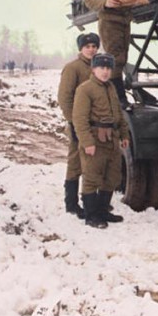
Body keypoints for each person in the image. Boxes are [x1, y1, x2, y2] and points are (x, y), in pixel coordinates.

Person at [73, 53, 130, 228]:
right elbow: (79, 119)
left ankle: (103, 210)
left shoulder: (111, 87)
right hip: (95, 140)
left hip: (112, 140)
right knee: (92, 177)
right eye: (101, 68)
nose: (105, 72)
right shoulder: (85, 89)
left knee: (111, 177)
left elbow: (118, 114)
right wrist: (87, 142)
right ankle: (91, 216)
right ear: (94, 69)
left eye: (108, 68)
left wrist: (124, 134)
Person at [84, 0, 141, 107]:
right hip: (109, 21)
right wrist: (105, 3)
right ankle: (119, 99)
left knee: (123, 57)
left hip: (125, 19)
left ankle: (117, 93)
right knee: (115, 58)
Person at [57, 33, 100, 218]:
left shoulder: (99, 68)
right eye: (87, 46)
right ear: (80, 48)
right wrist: (73, 123)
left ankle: (91, 201)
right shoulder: (72, 68)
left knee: (94, 163)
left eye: (94, 46)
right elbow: (64, 98)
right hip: (79, 123)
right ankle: (72, 203)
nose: (91, 49)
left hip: (96, 124)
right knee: (76, 162)